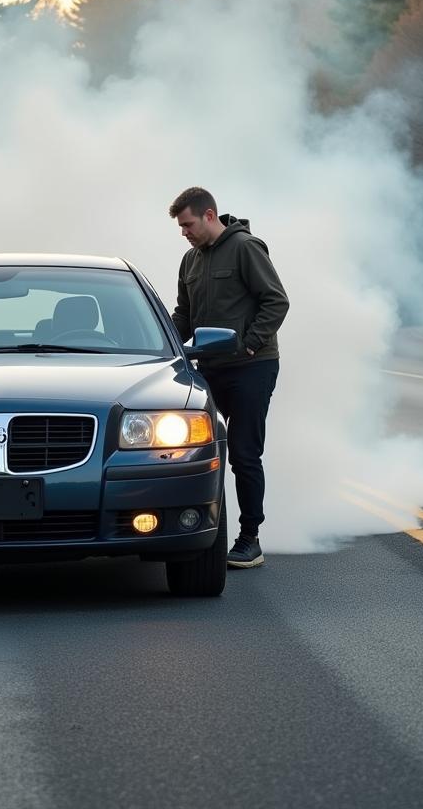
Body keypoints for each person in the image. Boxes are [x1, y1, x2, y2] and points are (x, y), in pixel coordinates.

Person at [169, 186, 289, 569]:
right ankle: (195, 528)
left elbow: (276, 300)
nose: (184, 232)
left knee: (243, 453)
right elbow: (183, 316)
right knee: (198, 452)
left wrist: (250, 345)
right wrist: (157, 343)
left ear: (208, 215)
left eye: (187, 224)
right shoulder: (190, 262)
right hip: (208, 369)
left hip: (252, 367)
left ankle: (250, 538)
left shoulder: (246, 248)